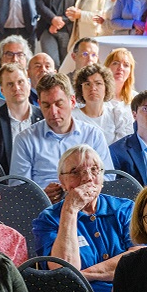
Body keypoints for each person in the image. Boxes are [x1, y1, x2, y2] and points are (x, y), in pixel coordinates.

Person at [33, 145, 136, 292]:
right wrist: (70, 210)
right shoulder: (49, 219)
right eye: (75, 172)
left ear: (103, 177)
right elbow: (63, 270)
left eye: (94, 170)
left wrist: (83, 275)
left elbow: (139, 258)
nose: (87, 178)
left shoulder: (124, 209)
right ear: (62, 181)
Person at [10, 72, 112, 202]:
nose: (53, 112)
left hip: (86, 205)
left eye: (59, 104)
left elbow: (107, 179)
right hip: (43, 208)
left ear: (72, 102)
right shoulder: (25, 139)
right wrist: (41, 195)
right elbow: (18, 188)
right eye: (46, 105)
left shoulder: (93, 135)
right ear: (39, 104)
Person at [0, 63, 44, 174]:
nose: (16, 88)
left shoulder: (43, 117)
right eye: (10, 84)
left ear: (29, 83)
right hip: (5, 186)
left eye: (20, 82)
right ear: (2, 90)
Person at [72, 63, 133, 145]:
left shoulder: (117, 115)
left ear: (106, 88)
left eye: (98, 83)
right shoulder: (73, 117)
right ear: (81, 90)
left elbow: (123, 146)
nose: (93, 88)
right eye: (87, 84)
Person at [104, 47, 137, 117]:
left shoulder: (136, 98)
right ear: (107, 67)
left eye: (126, 65)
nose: (120, 68)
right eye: (116, 63)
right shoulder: (97, 95)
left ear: (130, 72)